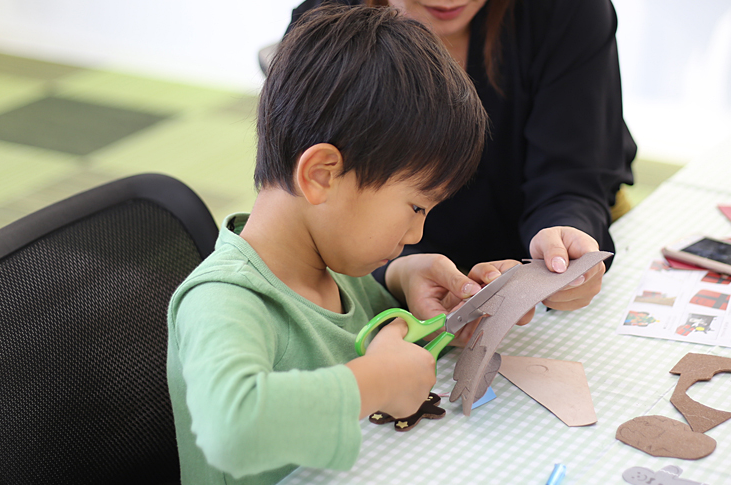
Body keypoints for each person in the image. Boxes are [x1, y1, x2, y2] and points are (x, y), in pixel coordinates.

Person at [166, 5, 509, 485]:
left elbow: (365, 339)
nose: (417, 235)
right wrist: (381, 380)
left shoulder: (336, 266)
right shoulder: (225, 299)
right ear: (322, 176)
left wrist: (404, 287)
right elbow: (231, 427)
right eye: (415, 208)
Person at [288, 0, 637, 319]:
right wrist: (396, 273)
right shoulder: (326, 32)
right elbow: (311, 224)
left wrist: (567, 237)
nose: (448, 0)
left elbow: (574, 176)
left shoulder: (568, 11)